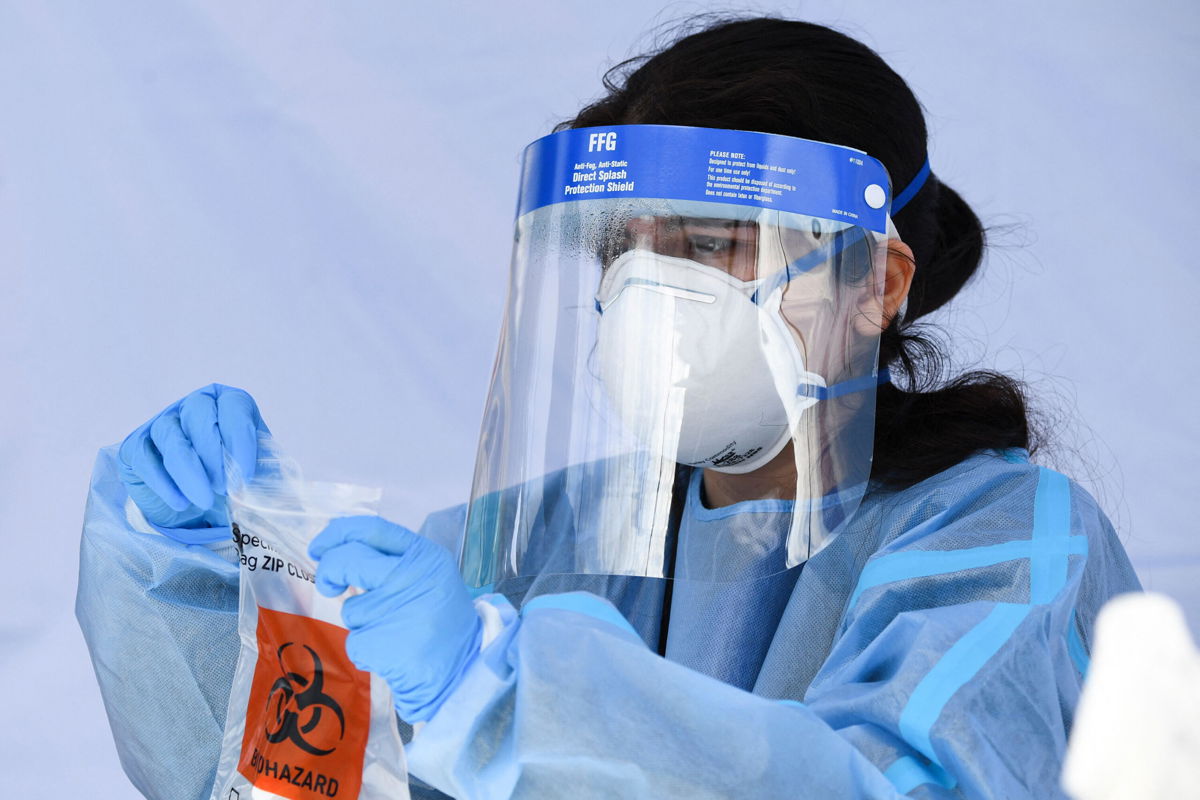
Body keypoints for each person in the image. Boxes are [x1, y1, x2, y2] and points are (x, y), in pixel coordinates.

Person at [76, 17, 1141, 800]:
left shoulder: (1001, 543)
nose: (650, 293)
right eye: (628, 248)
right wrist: (186, 572)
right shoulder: (550, 546)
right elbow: (284, 769)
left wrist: (495, 695)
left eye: (712, 242)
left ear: (876, 281)